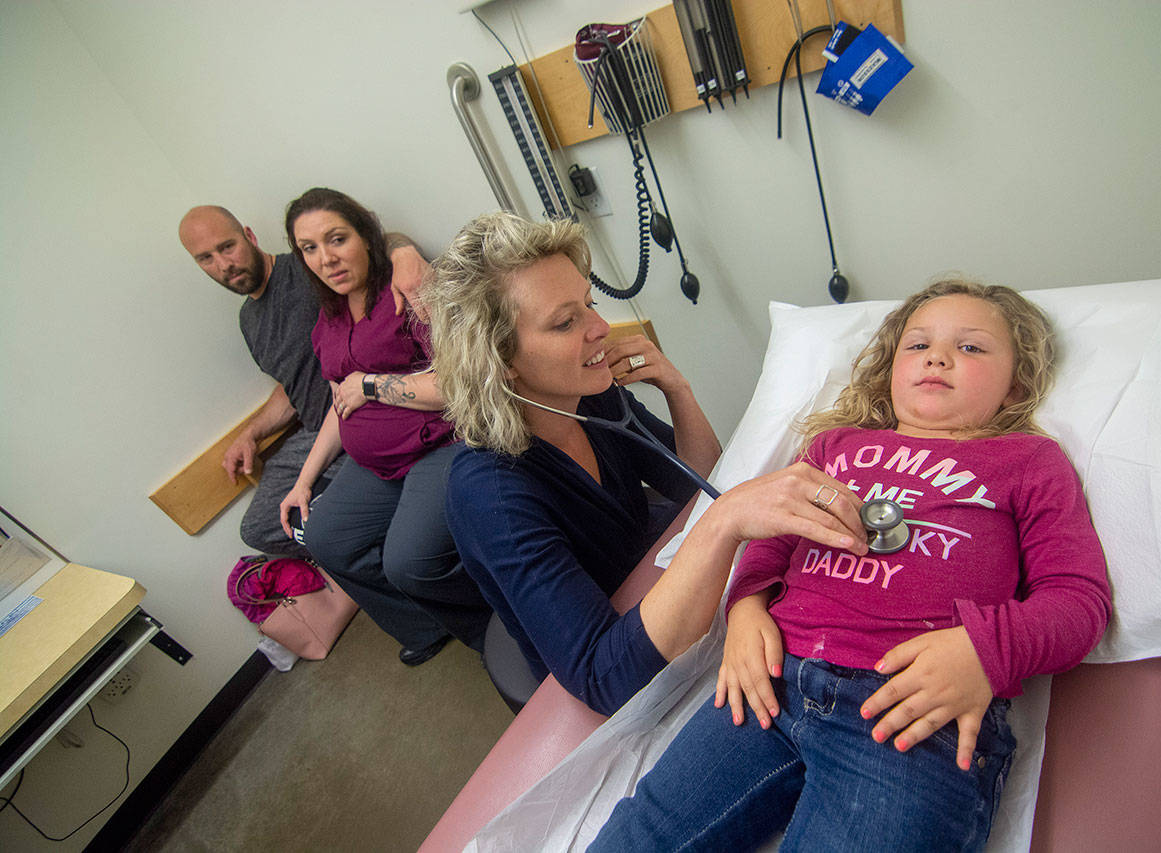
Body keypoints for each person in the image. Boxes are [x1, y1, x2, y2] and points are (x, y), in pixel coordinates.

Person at [590, 280, 1113, 850]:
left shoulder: (1029, 462)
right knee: (638, 837)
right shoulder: (835, 447)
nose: (938, 356)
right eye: (917, 346)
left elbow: (1077, 599)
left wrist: (983, 654)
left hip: (910, 708)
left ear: (1015, 386)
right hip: (772, 680)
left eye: (971, 348)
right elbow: (772, 538)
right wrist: (745, 609)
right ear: (890, 367)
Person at [427, 211, 870, 716]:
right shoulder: (490, 493)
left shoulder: (590, 398)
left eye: (590, 306)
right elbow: (602, 675)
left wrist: (676, 388)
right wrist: (725, 521)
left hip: (654, 578)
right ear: (499, 359)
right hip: (621, 650)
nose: (600, 329)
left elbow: (695, 486)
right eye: (566, 322)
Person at [277, 188, 490, 665]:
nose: (326, 258)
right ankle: (425, 624)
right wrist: (303, 482)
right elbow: (340, 402)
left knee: (407, 562)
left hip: (440, 444)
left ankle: (495, 627)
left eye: (337, 239)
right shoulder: (328, 317)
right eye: (309, 248)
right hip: (375, 464)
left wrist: (372, 385)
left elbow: (462, 381)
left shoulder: (406, 287)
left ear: (367, 237)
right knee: (327, 539)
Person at [177, 205, 430, 560]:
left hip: (360, 417)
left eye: (227, 247)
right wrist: (252, 433)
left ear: (249, 236)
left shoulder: (307, 269)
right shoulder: (249, 320)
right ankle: (357, 564)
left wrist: (404, 252)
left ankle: (376, 551)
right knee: (259, 528)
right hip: (315, 431)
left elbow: (373, 241)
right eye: (206, 258)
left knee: (329, 529)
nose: (223, 264)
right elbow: (288, 387)